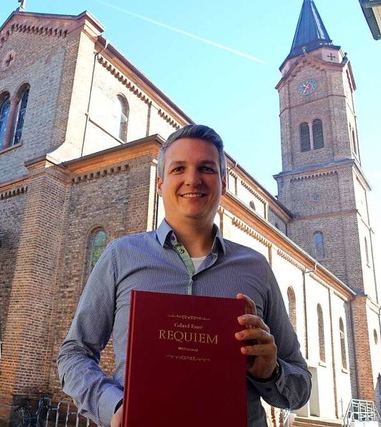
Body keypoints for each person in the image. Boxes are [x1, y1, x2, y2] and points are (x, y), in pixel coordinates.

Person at [57, 124, 312, 427]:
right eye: (179, 168)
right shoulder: (120, 256)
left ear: (224, 183)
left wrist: (271, 371)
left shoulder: (255, 267)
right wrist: (113, 406)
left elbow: (299, 387)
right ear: (160, 182)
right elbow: (73, 354)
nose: (193, 179)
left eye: (206, 168)